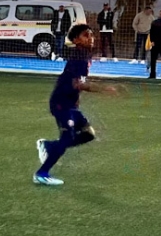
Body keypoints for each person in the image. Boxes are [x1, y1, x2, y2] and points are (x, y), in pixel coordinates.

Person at [34, 24, 118, 185]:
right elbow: (78, 84)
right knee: (67, 138)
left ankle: (49, 146)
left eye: (92, 35)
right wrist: (105, 89)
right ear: (76, 40)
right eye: (86, 35)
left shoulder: (84, 55)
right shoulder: (79, 56)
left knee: (89, 134)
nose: (91, 38)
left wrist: (76, 99)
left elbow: (78, 82)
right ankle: (41, 173)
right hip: (61, 102)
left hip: (69, 103)